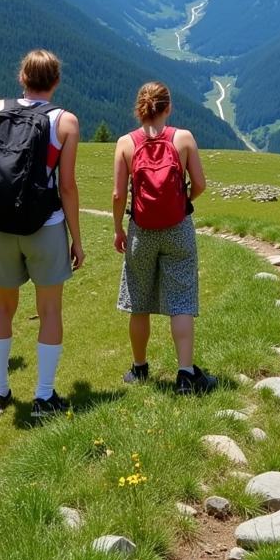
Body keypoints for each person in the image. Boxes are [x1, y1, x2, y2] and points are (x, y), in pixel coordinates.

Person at [0, 50, 84, 418]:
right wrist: (77, 240)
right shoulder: (65, 121)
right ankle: (43, 396)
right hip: (45, 224)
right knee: (49, 309)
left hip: (0, 225)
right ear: (55, 81)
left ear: (22, 77)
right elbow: (66, 186)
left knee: (3, 307)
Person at [112, 82, 216, 395]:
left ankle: (139, 368)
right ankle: (185, 375)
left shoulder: (126, 143)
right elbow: (200, 183)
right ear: (167, 107)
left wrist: (118, 228)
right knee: (181, 300)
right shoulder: (183, 138)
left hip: (141, 230)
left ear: (139, 108)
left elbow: (119, 193)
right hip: (178, 228)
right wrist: (184, 200)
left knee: (139, 302)